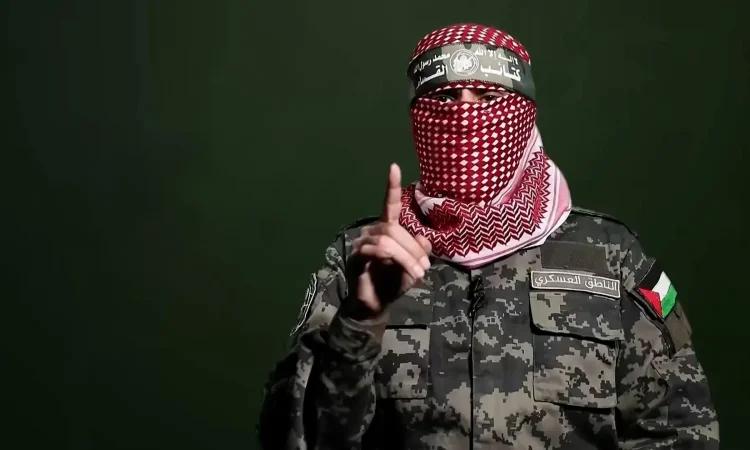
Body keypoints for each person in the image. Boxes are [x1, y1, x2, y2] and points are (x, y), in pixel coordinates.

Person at [257, 23, 719, 449]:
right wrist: (360, 322)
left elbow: (681, 430)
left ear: (525, 111)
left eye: (486, 94)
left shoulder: (610, 256)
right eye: (445, 96)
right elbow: (289, 437)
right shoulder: (362, 257)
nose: (465, 113)